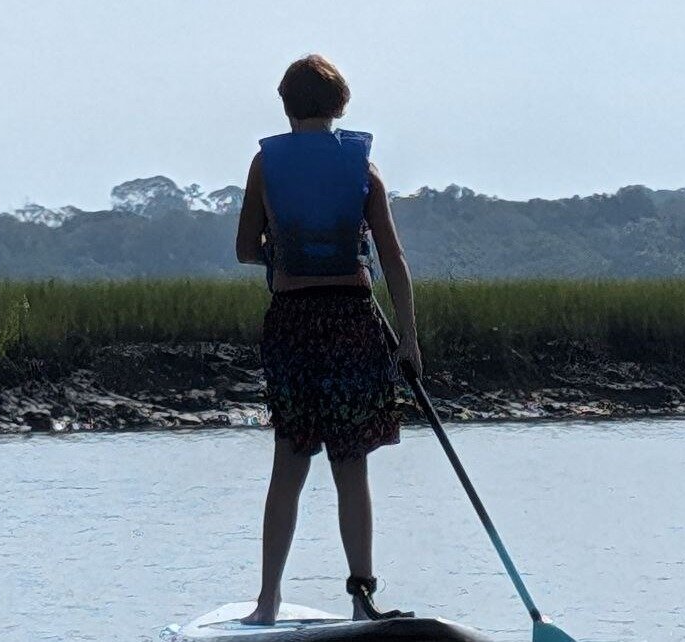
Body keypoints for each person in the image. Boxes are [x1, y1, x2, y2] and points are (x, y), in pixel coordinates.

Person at [235, 53, 422, 625]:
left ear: (287, 106)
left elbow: (245, 249)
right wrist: (409, 343)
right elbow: (392, 259)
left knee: (289, 460)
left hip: (292, 323)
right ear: (340, 105)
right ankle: (363, 598)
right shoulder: (364, 171)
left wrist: (278, 250)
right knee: (351, 462)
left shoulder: (266, 166)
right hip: (353, 321)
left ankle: (267, 602)